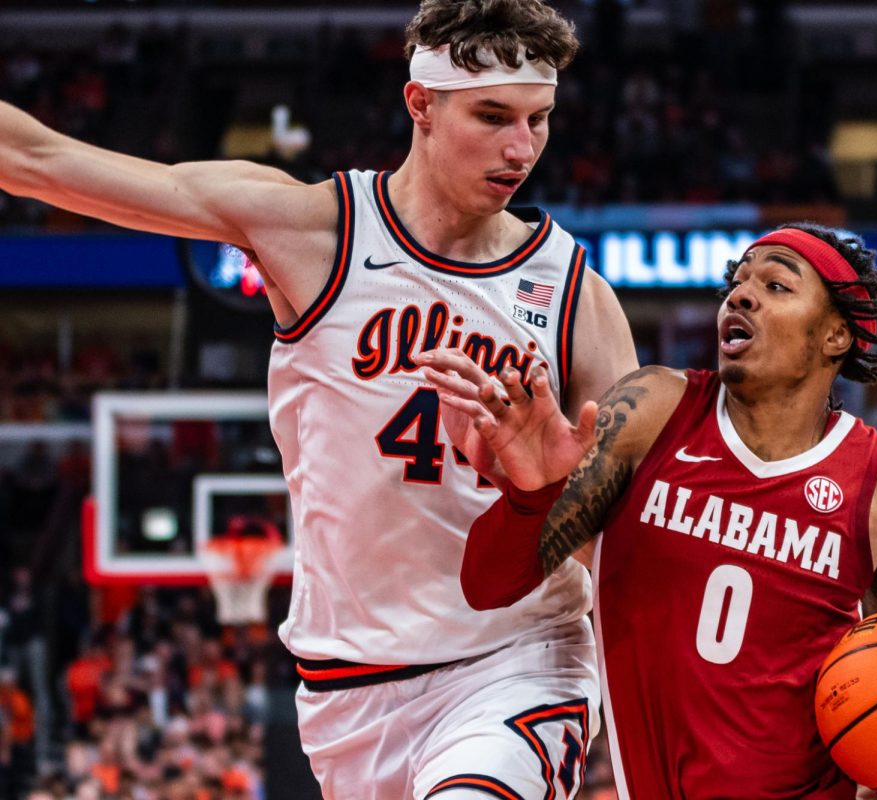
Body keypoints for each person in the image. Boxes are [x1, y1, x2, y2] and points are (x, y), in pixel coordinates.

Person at [0, 0, 639, 796]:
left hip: (518, 661)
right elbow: (40, 158)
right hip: (350, 681)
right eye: (493, 116)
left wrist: (546, 489)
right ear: (421, 106)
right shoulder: (316, 233)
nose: (523, 148)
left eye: (540, 119)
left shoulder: (575, 295)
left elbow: (632, 548)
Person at [421, 223, 877, 798]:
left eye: (776, 285)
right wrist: (533, 492)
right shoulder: (654, 412)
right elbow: (487, 584)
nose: (743, 294)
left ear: (835, 336)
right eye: (738, 281)